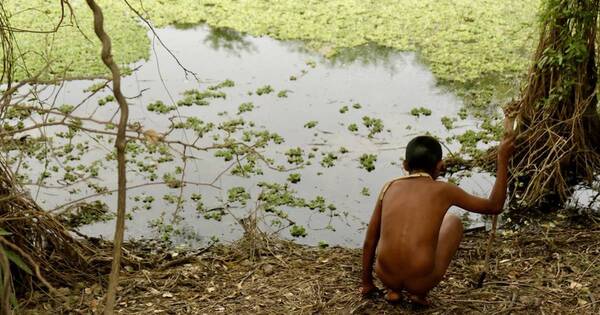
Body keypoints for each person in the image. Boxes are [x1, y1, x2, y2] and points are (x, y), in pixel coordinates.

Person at [360, 132, 515, 305]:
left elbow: (370, 240)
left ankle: (394, 291)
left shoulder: (388, 187)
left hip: (386, 276)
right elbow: (494, 206)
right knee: (453, 221)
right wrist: (503, 159)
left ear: (405, 165)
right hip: (421, 282)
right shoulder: (444, 190)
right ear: (440, 166)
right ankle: (418, 294)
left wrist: (367, 283)